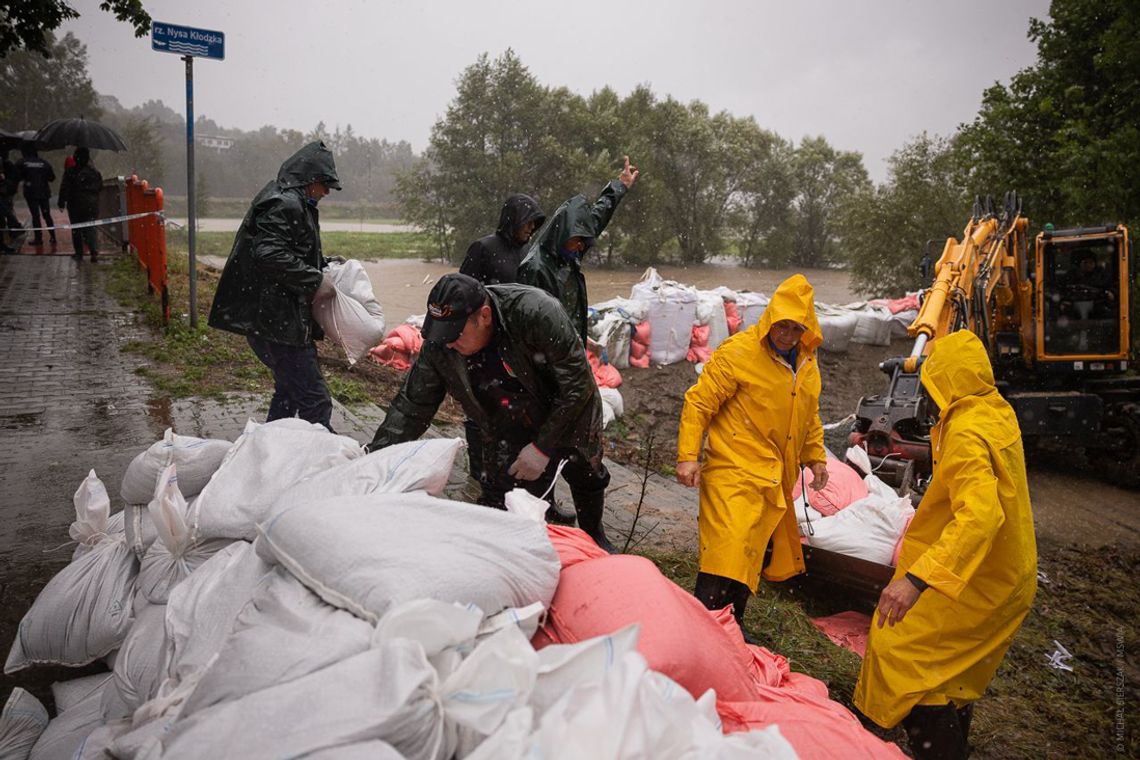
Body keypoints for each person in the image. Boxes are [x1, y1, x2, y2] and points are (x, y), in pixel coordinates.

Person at [853, 330, 1037, 760]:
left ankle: (909, 744)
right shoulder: (994, 410)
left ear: (947, 380)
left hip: (976, 574)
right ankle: (947, 744)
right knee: (950, 670)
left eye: (934, 380)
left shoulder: (966, 431)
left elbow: (980, 515)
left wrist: (916, 580)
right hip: (1007, 568)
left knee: (901, 651)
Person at [365, 273, 616, 552]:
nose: (448, 343)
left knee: (585, 472)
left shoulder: (535, 312)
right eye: (443, 334)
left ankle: (594, 535)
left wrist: (542, 447)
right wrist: (376, 460)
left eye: (455, 334)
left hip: (566, 405)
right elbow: (412, 406)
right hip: (506, 415)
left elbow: (577, 386)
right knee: (502, 495)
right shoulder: (440, 342)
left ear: (484, 316)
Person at [674, 274, 829, 642]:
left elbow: (809, 414)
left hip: (775, 474)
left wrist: (815, 457)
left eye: (796, 329)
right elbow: (700, 402)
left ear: (807, 330)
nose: (787, 336)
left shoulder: (806, 363)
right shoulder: (739, 353)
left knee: (752, 549)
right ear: (770, 318)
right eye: (781, 326)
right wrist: (687, 456)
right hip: (734, 465)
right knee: (727, 546)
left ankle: (733, 623)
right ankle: (704, 624)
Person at [208, 141, 342, 431]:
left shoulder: (293, 201)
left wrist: (323, 263)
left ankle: (268, 451)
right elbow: (268, 253)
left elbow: (289, 250)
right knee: (314, 399)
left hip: (275, 319)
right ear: (310, 180)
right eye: (325, 184)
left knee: (288, 391)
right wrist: (315, 280)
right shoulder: (284, 203)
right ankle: (324, 462)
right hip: (277, 321)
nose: (327, 192)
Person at [458, 194, 546, 484]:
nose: (531, 229)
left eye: (535, 225)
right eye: (528, 223)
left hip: (516, 346)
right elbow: (463, 293)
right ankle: (478, 470)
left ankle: (510, 474)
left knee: (515, 410)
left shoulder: (527, 253)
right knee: (480, 407)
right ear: (514, 220)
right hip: (483, 344)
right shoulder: (483, 248)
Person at [517, 156, 638, 344]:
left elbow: (597, 217)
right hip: (552, 353)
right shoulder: (535, 268)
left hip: (572, 344)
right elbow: (530, 324)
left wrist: (619, 187)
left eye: (584, 240)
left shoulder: (568, 253)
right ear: (564, 234)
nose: (582, 245)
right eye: (578, 239)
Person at [459, 194, 546, 285]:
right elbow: (464, 290)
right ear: (515, 219)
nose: (532, 226)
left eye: (534, 222)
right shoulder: (482, 248)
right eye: (528, 221)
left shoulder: (529, 251)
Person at [57, 148, 103, 262]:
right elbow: (100, 187)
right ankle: (93, 252)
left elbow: (64, 188)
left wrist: (61, 202)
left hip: (75, 204)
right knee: (91, 227)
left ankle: (79, 253)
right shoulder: (95, 172)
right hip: (91, 204)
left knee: (76, 228)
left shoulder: (70, 172)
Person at [16, 144, 56, 246]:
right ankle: (53, 236)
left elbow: (16, 177)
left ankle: (38, 238)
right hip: (44, 192)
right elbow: (52, 178)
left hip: (31, 193)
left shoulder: (22, 163)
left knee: (35, 216)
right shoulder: (44, 163)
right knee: (46, 214)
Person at [0, 150, 22, 253]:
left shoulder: (6, 164)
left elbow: (15, 178)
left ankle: (2, 244)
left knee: (2, 220)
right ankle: (15, 226)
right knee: (6, 214)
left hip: (4, 193)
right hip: (4, 194)